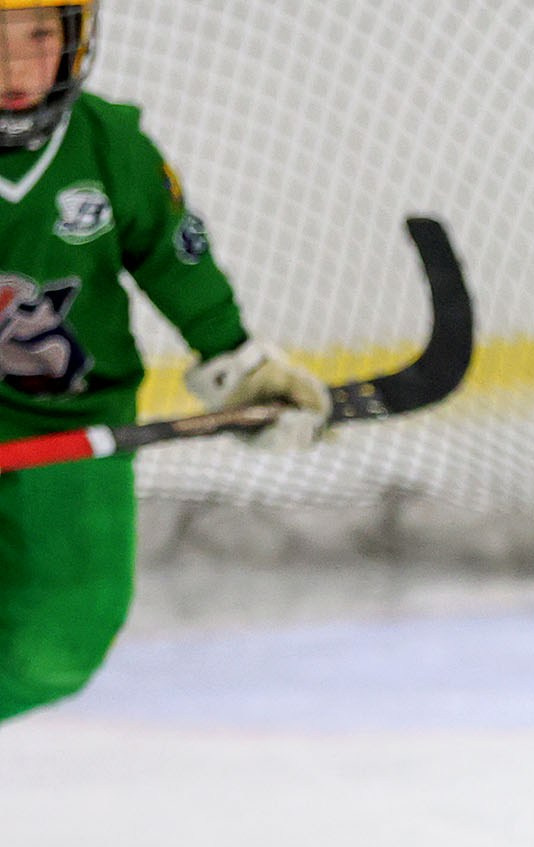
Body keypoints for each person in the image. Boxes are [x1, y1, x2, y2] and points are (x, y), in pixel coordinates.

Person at [0, 0, 325, 721]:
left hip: (72, 434)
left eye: (40, 35)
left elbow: (176, 261)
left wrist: (235, 362)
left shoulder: (110, 144)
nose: (16, 68)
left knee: (57, 647)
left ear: (75, 35)